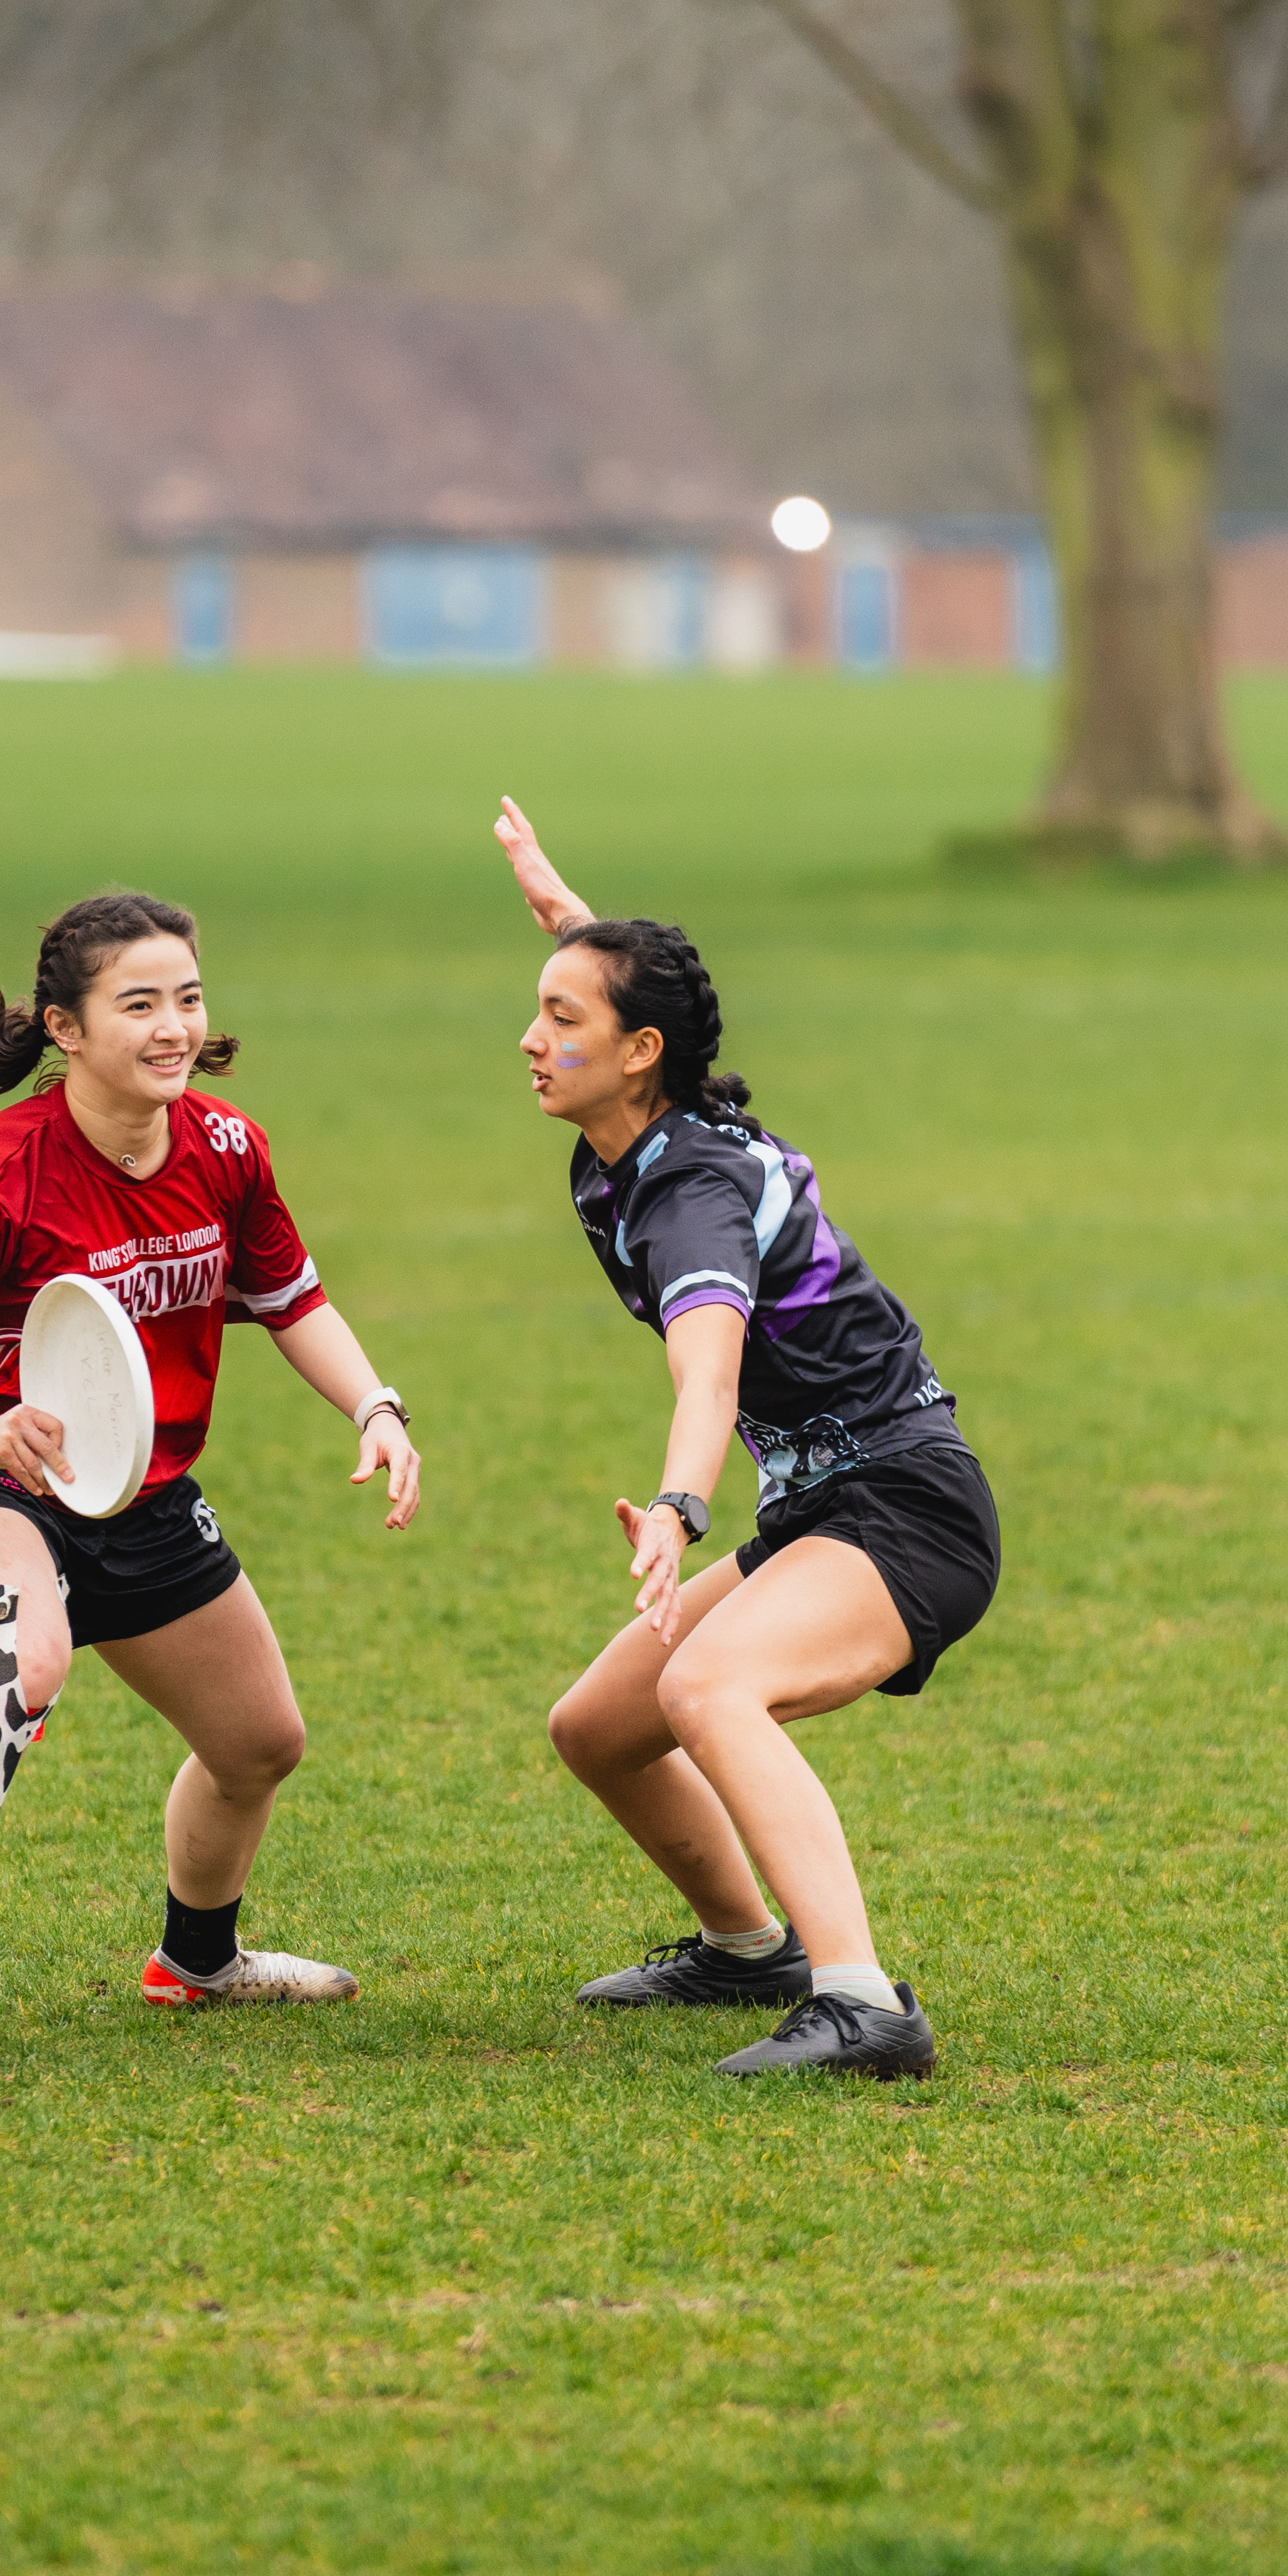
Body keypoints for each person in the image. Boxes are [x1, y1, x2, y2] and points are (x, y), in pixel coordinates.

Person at [0, 890, 420, 2064]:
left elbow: (290, 1299)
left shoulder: (225, 1146)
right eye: (137, 1004)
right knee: (22, 1660)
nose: (173, 1027)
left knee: (259, 1743)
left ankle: (198, 1963)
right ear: (65, 1029)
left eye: (187, 998)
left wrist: (377, 1406)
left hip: (134, 1486)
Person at [490, 799, 998, 2081]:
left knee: (707, 1686)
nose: (533, 1039)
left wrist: (677, 1505)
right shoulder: (654, 1115)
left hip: (905, 1509)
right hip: (828, 1506)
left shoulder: (690, 1192)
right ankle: (745, 1945)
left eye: (564, 1019)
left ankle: (863, 2001)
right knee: (599, 1724)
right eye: (541, 1008)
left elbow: (706, 1371)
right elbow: (628, 988)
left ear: (639, 1051)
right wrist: (562, 905)